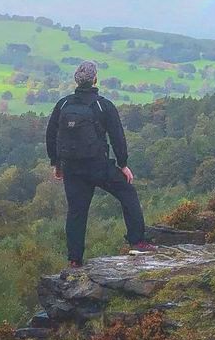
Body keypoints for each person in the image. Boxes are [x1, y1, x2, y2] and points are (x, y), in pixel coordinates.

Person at [46, 61, 158, 268]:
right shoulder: (102, 105)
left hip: (72, 168)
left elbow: (51, 135)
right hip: (98, 166)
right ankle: (137, 242)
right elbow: (117, 137)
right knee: (127, 194)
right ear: (95, 79)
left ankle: (74, 260)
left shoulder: (63, 104)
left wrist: (56, 163)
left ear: (76, 81)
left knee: (77, 212)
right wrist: (123, 164)